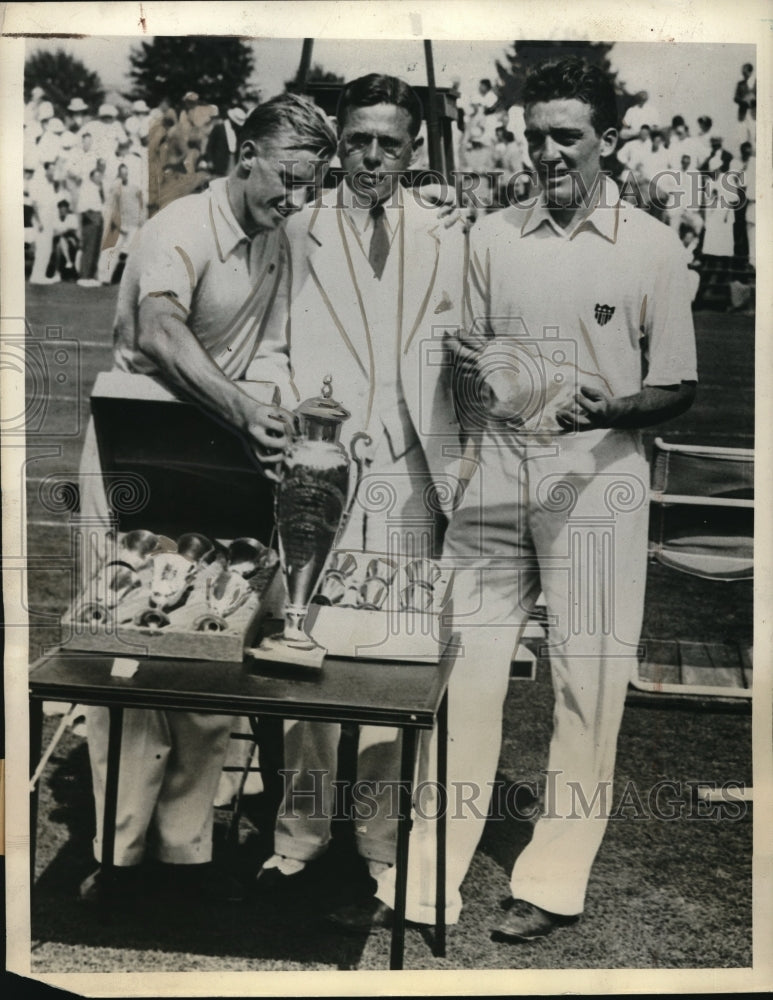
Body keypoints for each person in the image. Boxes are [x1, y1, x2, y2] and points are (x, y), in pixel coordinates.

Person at [339, 56, 697, 938]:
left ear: (604, 140)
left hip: (598, 478)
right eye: (534, 136)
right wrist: (468, 367)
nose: (547, 152)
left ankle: (550, 883)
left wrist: (613, 405)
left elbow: (678, 386)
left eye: (565, 135)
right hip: (496, 474)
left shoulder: (652, 246)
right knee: (460, 680)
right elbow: (466, 359)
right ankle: (426, 879)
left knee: (587, 685)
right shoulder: (490, 236)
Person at [76, 94, 337, 905]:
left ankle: (185, 855)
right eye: (287, 179)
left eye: (309, 185)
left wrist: (281, 421)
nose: (295, 198)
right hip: (136, 448)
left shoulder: (279, 235)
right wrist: (243, 409)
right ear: (247, 154)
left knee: (212, 641)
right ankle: (116, 861)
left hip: (218, 459)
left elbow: (279, 350)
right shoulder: (180, 228)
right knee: (128, 659)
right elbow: (159, 329)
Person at [245, 73, 465, 908]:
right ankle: (298, 836)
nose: (373, 157)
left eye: (391, 143)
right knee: (307, 647)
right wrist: (291, 415)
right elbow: (268, 344)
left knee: (395, 658)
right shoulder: (298, 227)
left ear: (413, 150)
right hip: (316, 472)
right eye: (359, 140)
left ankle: (379, 840)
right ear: (339, 142)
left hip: (413, 475)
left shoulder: (447, 231)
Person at [206, 107, 247, 176]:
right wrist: (209, 160)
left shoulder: (237, 131)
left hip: (233, 159)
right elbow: (210, 145)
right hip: (220, 160)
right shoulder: (219, 128)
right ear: (231, 120)